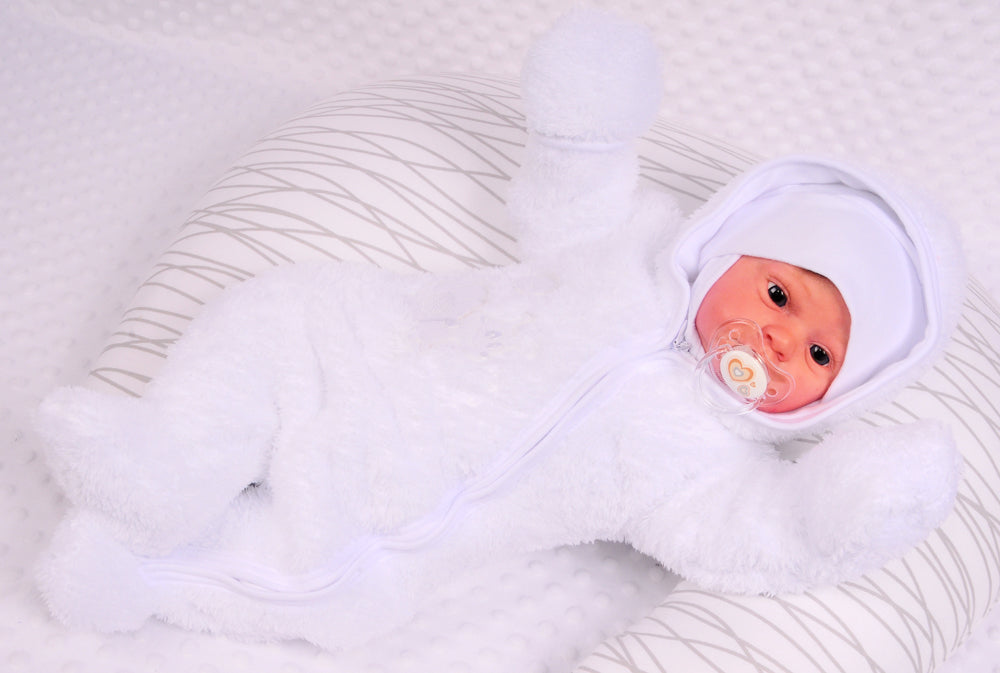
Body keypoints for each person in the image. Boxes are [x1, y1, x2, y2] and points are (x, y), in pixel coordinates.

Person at [33, 9, 964, 653]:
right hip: (358, 338)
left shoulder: (708, 469)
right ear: (724, 247)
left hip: (398, 503)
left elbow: (758, 532)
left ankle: (137, 575)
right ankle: (164, 469)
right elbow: (573, 198)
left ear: (838, 395)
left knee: (322, 581)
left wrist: (840, 510)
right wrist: (586, 132)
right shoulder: (628, 244)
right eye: (779, 294)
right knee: (267, 313)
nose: (778, 341)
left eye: (819, 353)